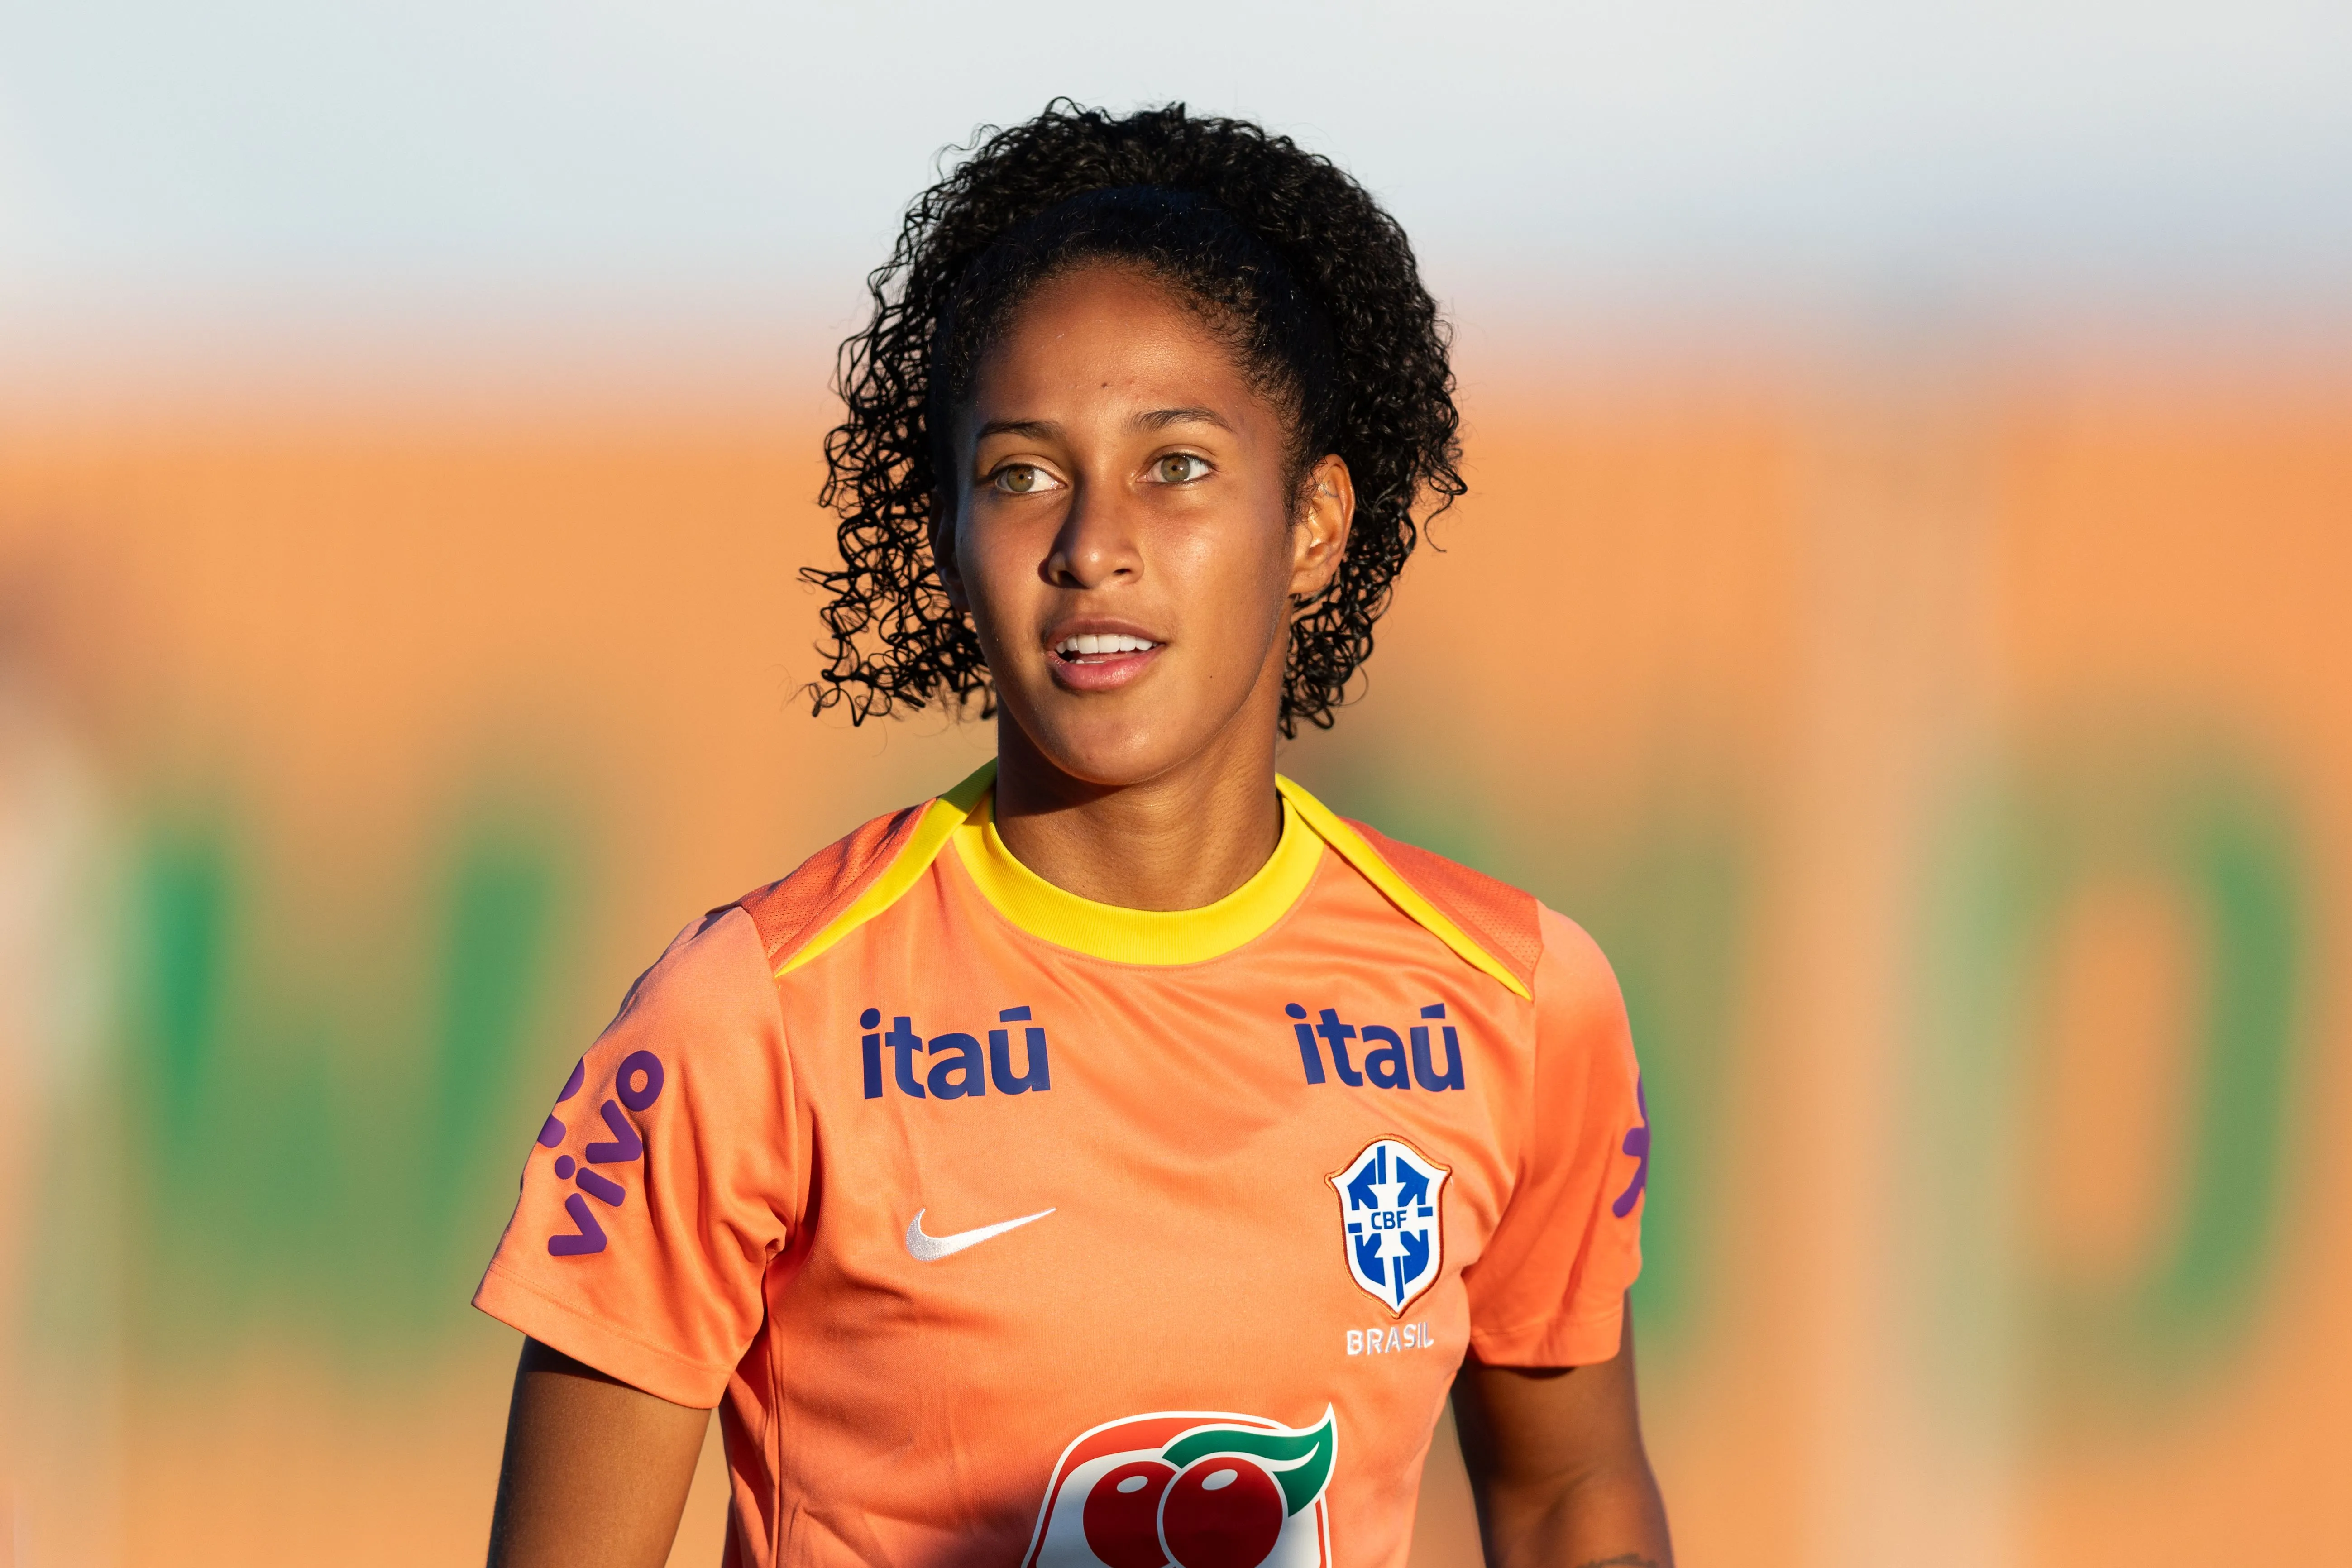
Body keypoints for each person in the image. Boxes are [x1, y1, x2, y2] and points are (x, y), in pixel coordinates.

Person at [478, 101, 1671, 1568]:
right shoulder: (754, 1017)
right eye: (1022, 473)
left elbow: (1569, 1497)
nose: (1089, 542)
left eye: (1173, 465)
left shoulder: (1517, 1000)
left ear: (1311, 525)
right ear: (949, 538)